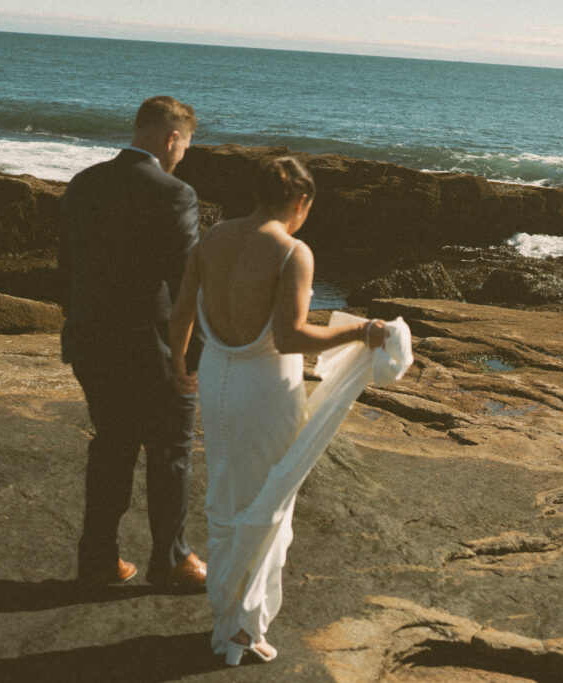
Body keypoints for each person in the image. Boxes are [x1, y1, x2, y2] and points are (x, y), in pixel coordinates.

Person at [168, 156, 398, 665]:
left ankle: (229, 614)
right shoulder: (293, 251)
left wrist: (179, 363)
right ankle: (242, 628)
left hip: (217, 379)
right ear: (302, 201)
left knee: (226, 492)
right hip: (265, 389)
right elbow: (291, 336)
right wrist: (360, 332)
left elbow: (181, 311)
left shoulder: (212, 239)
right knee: (269, 501)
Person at [59, 95, 207, 587]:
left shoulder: (84, 183)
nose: (183, 154)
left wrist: (79, 322)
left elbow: (66, 266)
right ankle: (171, 560)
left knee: (112, 446)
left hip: (91, 340)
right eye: (185, 144)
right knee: (171, 451)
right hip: (152, 348)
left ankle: (99, 559)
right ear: (172, 138)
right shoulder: (176, 194)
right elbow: (186, 285)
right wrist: (191, 358)